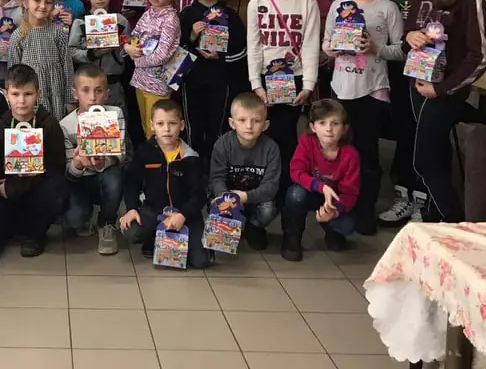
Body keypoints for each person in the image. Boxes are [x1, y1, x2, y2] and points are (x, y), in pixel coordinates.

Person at [404, 0, 486, 224]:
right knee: (437, 154)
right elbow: (410, 31)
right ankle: (436, 218)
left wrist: (442, 89)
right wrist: (411, 36)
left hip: (443, 92)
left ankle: (454, 220)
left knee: (424, 161)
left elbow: (480, 56)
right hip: (418, 83)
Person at [322, 0, 403, 234]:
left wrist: (375, 48)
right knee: (340, 152)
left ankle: (366, 209)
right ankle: (340, 207)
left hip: (373, 90)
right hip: (341, 88)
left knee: (367, 154)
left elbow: (401, 50)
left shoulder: (387, 8)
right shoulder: (339, 6)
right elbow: (326, 44)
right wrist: (333, 48)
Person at [246, 0, 320, 207]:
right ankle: (263, 190)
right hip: (265, 79)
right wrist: (256, 83)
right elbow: (254, 45)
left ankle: (288, 191)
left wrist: (308, 84)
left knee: (287, 134)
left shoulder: (307, 3)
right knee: (262, 134)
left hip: (294, 78)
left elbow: (310, 44)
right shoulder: (257, 2)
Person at [378, 0, 434, 226]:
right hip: (397, 71)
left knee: (426, 136)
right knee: (403, 132)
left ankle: (425, 198)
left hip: (430, 75)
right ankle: (403, 194)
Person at [0, 64, 69, 256]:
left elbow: (56, 169)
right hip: (7, 193)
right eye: (15, 94)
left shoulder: (49, 125)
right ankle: (15, 226)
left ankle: (35, 234)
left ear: (38, 94)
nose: (21, 101)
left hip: (35, 190)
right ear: (6, 95)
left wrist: (20, 184)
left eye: (28, 94)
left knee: (57, 188)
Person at [120, 100, 212, 269]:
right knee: (131, 230)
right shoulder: (145, 152)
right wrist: (132, 208)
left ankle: (190, 242)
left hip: (186, 215)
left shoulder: (190, 157)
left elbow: (199, 194)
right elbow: (132, 182)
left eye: (172, 123)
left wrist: (183, 215)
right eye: (160, 124)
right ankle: (154, 239)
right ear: (152, 125)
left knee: (201, 261)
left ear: (181, 125)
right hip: (154, 210)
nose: (167, 129)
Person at [180, 0, 248, 165]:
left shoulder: (231, 15)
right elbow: (177, 49)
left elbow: (241, 51)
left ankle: (217, 168)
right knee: (193, 127)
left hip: (221, 81)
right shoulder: (187, 14)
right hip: (192, 81)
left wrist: (220, 57)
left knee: (218, 126)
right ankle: (192, 169)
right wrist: (193, 36)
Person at [61, 64, 130, 255]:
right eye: (86, 90)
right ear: (75, 94)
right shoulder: (65, 125)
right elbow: (68, 173)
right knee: (74, 219)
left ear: (107, 94)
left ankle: (107, 222)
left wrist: (103, 162)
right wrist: (78, 163)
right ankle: (83, 217)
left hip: (105, 175)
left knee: (115, 179)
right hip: (80, 181)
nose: (92, 97)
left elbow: (121, 154)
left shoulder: (115, 114)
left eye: (98, 91)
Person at [282, 99, 360, 261]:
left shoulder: (350, 154)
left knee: (348, 225)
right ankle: (292, 236)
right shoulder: (307, 142)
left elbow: (350, 193)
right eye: (322, 123)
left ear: (344, 128)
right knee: (295, 194)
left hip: (333, 200)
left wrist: (334, 211)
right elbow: (296, 172)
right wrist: (321, 187)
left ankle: (332, 231)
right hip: (310, 191)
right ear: (313, 127)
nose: (329, 129)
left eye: (335, 123)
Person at [209, 92, 281, 251]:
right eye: (242, 120)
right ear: (232, 123)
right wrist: (224, 197)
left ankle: (254, 227)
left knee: (269, 209)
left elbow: (271, 186)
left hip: (256, 199)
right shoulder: (223, 144)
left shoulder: (271, 148)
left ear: (265, 125)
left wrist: (245, 197)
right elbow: (216, 178)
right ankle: (230, 226)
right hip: (228, 197)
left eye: (256, 121)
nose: (249, 126)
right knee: (215, 204)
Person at [125, 0, 182, 140]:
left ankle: (159, 157)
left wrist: (137, 61)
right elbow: (133, 37)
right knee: (146, 127)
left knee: (157, 132)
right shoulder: (147, 14)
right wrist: (128, 47)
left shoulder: (170, 19)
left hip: (157, 85)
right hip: (140, 80)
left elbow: (162, 55)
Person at [7, 0, 75, 117]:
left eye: (48, 2)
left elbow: (67, 68)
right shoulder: (18, 36)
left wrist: (70, 100)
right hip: (29, 97)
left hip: (56, 94)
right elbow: (13, 75)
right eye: (37, 1)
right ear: (26, 3)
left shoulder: (58, 33)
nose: (43, 6)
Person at [68, 0, 130, 113]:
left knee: (117, 118)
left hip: (114, 81)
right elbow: (71, 51)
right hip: (88, 85)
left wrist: (119, 47)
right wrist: (92, 54)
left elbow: (128, 50)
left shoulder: (121, 21)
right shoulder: (80, 22)